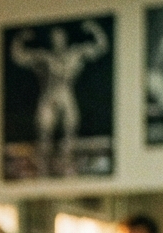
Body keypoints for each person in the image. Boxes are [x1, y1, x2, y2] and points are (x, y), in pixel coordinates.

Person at [10, 20, 108, 176]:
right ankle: (43, 168)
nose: (57, 40)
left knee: (70, 129)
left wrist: (95, 30)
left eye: (60, 37)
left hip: (65, 91)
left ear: (65, 39)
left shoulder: (74, 54)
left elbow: (100, 47)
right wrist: (20, 38)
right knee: (44, 131)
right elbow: (19, 56)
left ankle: (66, 164)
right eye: (54, 38)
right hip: (50, 92)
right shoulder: (44, 56)